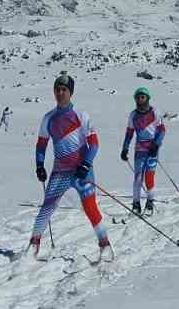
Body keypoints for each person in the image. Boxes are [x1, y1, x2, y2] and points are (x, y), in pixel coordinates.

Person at [28, 73, 110, 259]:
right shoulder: (48, 118)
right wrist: (39, 165)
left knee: (90, 207)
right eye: (57, 89)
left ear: (70, 92)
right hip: (60, 172)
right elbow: (41, 144)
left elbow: (94, 143)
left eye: (64, 89)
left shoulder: (81, 116)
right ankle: (34, 244)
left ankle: (104, 245)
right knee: (47, 208)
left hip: (81, 171)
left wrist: (86, 164)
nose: (60, 93)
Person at [120, 86, 166, 213]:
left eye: (143, 97)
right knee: (138, 178)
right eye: (138, 97)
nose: (140, 99)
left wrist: (156, 145)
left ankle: (150, 202)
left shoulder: (154, 112)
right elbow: (129, 134)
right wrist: (124, 149)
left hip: (152, 149)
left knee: (149, 177)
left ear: (147, 98)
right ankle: (136, 204)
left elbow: (162, 130)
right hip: (139, 150)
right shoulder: (133, 115)